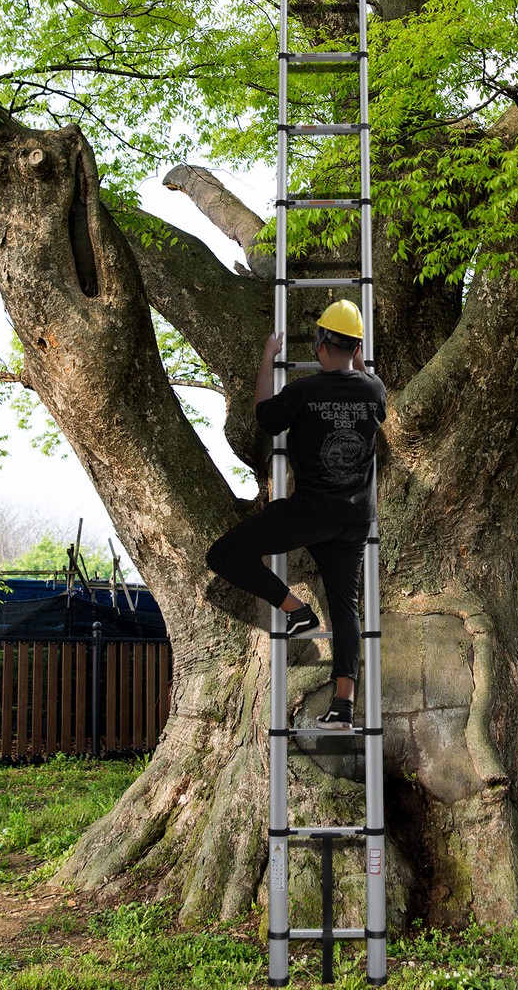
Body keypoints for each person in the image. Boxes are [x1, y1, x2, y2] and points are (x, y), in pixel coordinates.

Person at [206, 300, 386, 730]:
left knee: (224, 555)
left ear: (322, 344)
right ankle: (343, 705)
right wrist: (358, 356)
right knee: (346, 609)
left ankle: (295, 609)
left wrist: (269, 357)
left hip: (309, 512)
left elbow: (265, 417)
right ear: (357, 348)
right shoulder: (374, 391)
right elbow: (365, 377)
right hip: (355, 520)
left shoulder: (305, 392)